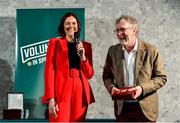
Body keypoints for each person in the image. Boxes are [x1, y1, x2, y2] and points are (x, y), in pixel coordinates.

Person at [102, 15, 167, 122]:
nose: (119, 34)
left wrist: (141, 88)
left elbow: (161, 78)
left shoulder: (151, 50)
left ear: (135, 31)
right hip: (122, 109)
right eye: (117, 30)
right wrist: (112, 88)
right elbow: (107, 76)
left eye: (122, 30)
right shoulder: (112, 51)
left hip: (146, 109)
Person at [42, 12, 95, 122]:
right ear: (63, 26)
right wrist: (51, 98)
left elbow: (89, 74)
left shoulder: (86, 46)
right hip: (61, 88)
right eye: (67, 23)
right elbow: (49, 71)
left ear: (78, 26)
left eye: (74, 23)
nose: (71, 26)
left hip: (80, 88)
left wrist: (83, 57)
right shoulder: (55, 43)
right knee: (59, 119)